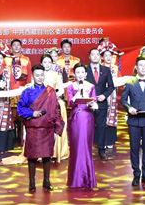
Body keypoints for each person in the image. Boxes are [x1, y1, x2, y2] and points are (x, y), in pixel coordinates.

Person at [17, 64, 65, 192]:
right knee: (32, 156)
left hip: (47, 129)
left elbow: (56, 109)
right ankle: (32, 182)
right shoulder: (27, 91)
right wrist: (32, 113)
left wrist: (57, 125)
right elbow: (20, 109)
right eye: (37, 75)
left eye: (42, 75)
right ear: (33, 76)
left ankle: (46, 181)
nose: (39, 77)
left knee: (47, 155)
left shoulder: (51, 91)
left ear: (44, 75)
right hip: (33, 128)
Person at [120, 56, 145, 187]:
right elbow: (123, 100)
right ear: (136, 67)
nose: (143, 68)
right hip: (134, 121)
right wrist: (129, 108)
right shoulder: (130, 82)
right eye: (140, 65)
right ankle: (136, 174)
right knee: (134, 149)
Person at [66, 63, 98, 189]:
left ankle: (87, 179)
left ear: (86, 74)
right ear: (74, 74)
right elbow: (70, 103)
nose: (80, 75)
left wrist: (92, 104)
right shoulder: (70, 86)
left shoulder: (91, 86)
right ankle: (76, 179)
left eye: (82, 72)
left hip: (87, 118)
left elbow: (94, 102)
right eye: (77, 72)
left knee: (86, 147)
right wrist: (78, 94)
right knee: (76, 147)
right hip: (75, 118)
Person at [85, 48, 114, 160]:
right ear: (89, 57)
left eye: (97, 54)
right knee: (88, 127)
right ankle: (86, 150)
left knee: (101, 127)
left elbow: (111, 86)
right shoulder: (85, 69)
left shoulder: (106, 70)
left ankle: (101, 150)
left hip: (102, 103)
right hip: (88, 104)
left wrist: (104, 96)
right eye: (93, 54)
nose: (95, 56)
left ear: (100, 57)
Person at [41, 54, 70, 161]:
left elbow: (61, 90)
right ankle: (41, 152)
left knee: (54, 128)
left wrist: (52, 96)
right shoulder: (38, 74)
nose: (47, 64)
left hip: (53, 102)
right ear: (41, 63)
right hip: (41, 104)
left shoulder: (56, 74)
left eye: (49, 62)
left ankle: (54, 152)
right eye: (45, 62)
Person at [7, 39, 32, 146]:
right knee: (11, 116)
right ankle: (11, 140)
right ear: (11, 47)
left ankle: (22, 140)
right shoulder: (6, 59)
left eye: (18, 45)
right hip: (11, 91)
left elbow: (29, 76)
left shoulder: (26, 60)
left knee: (22, 116)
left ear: (21, 47)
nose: (16, 47)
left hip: (23, 92)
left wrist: (29, 91)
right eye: (14, 45)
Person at [99, 41, 120, 150]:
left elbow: (119, 80)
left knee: (111, 117)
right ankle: (101, 141)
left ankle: (110, 140)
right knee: (102, 117)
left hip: (112, 95)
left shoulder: (115, 68)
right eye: (106, 55)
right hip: (102, 94)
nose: (108, 57)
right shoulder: (99, 68)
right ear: (102, 57)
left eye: (110, 55)